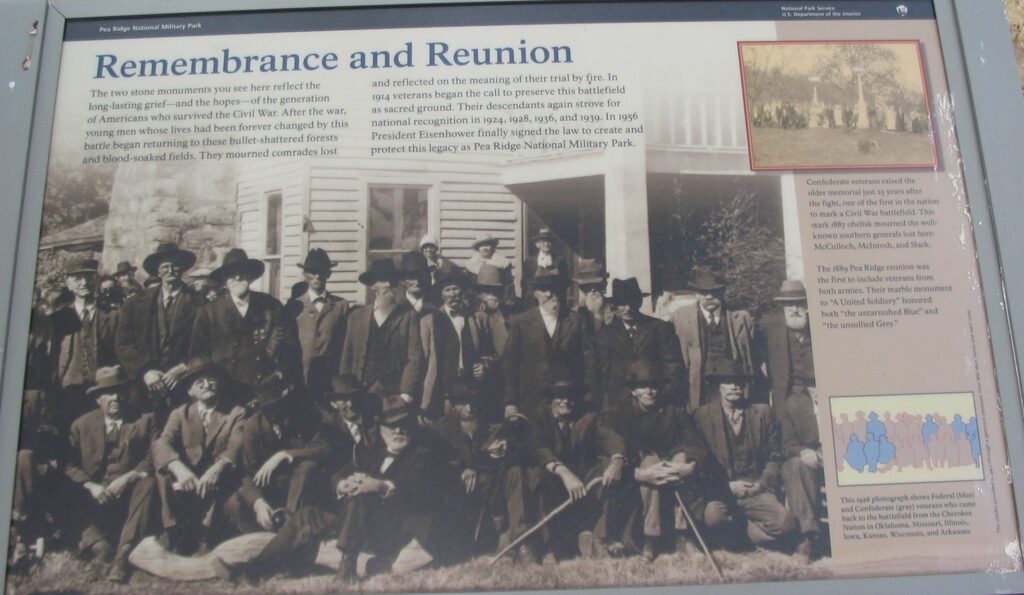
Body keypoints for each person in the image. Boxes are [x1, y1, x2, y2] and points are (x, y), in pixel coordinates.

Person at [215, 396, 462, 584]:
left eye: (405, 426)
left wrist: (379, 486)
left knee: (362, 497)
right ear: (381, 428)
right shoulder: (370, 450)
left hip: (396, 527)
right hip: (358, 523)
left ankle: (347, 566)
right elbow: (341, 473)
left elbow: (419, 491)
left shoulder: (424, 454)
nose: (399, 432)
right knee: (306, 516)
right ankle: (252, 572)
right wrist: (341, 485)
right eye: (392, 426)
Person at [610, 362, 733, 563]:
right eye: (643, 386)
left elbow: (695, 444)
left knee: (682, 456)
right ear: (633, 391)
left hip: (673, 473)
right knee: (650, 462)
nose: (650, 391)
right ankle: (651, 538)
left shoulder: (673, 411)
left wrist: (687, 465)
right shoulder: (622, 416)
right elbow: (616, 453)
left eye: (654, 386)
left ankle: (682, 535)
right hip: (637, 486)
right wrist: (641, 473)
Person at [65, 365, 157, 582]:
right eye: (108, 393)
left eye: (119, 391)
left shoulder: (145, 419)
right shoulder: (81, 425)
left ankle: (123, 557)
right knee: (66, 490)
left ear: (127, 393)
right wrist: (91, 486)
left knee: (149, 483)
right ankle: (96, 544)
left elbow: (152, 456)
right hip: (93, 494)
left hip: (128, 491)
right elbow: (68, 465)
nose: (115, 397)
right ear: (98, 399)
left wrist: (129, 477)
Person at [693, 359, 797, 549]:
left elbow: (775, 456)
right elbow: (701, 464)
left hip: (756, 489)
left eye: (738, 382)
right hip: (723, 491)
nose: (734, 386)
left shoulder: (763, 413)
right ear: (719, 387)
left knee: (785, 524)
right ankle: (737, 533)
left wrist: (761, 484)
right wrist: (728, 487)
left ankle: (743, 535)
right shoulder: (703, 416)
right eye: (727, 381)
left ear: (744, 385)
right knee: (713, 518)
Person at [152, 356, 246, 554]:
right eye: (199, 382)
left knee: (228, 480)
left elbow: (235, 445)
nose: (206, 384)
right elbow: (161, 443)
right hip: (190, 478)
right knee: (163, 472)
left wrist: (218, 467)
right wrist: (178, 468)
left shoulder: (235, 412)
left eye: (211, 379)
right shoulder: (180, 413)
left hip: (219, 477)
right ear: (190, 391)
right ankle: (174, 533)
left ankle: (206, 536)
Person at [528, 380, 628, 560]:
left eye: (570, 397)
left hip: (584, 479)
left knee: (607, 467)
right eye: (559, 397)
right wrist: (564, 473)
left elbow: (610, 437)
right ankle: (547, 547)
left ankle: (601, 538)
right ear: (550, 400)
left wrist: (617, 461)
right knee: (537, 477)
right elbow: (539, 449)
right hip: (555, 478)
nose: (565, 401)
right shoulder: (540, 419)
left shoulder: (588, 418)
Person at [431, 381, 533, 557]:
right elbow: (435, 463)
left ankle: (521, 540)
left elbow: (518, 450)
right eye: (463, 402)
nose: (470, 407)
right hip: (456, 488)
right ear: (453, 405)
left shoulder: (492, 428)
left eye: (473, 401)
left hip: (491, 487)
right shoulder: (439, 430)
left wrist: (505, 449)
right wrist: (462, 470)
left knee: (515, 471)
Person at [225, 373, 328, 535]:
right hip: (267, 489)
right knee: (234, 503)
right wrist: (258, 502)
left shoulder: (305, 416)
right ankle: (259, 543)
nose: (274, 413)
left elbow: (323, 448)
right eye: (267, 409)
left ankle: (291, 528)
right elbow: (246, 473)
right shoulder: (252, 427)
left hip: (297, 488)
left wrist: (285, 455)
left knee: (308, 467)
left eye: (278, 406)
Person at [115, 242, 204, 418]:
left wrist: (184, 367)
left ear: (183, 269)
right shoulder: (135, 304)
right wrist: (146, 371)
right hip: (145, 386)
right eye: (165, 267)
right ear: (157, 271)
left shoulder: (200, 303)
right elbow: (123, 344)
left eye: (175, 265)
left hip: (184, 384)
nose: (170, 270)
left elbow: (207, 344)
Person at [189, 248, 286, 391]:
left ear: (251, 277)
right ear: (224, 281)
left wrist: (277, 374)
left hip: (263, 387)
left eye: (242, 273)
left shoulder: (270, 306)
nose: (237, 278)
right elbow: (198, 353)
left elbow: (284, 347)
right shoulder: (210, 311)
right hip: (224, 388)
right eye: (231, 275)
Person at [502, 269, 588, 420]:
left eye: (554, 288)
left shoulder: (576, 321)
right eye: (543, 290)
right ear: (535, 293)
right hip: (531, 402)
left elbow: (588, 362)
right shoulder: (521, 322)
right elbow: (510, 365)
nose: (549, 294)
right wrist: (511, 402)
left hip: (567, 402)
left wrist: (587, 398)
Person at [340, 258, 424, 408]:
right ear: (373, 285)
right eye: (384, 280)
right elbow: (348, 356)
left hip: (394, 396)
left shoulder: (407, 315)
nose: (390, 285)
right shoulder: (357, 316)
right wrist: (345, 391)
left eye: (392, 280)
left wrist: (405, 394)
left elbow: (414, 357)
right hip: (360, 392)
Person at [671, 267, 757, 411]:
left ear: (723, 292)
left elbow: (753, 357)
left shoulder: (740, 319)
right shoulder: (681, 318)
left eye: (714, 292)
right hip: (698, 386)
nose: (709, 297)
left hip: (732, 387)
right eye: (704, 292)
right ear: (696, 294)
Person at [595, 278, 682, 411]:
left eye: (632, 302)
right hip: (618, 405)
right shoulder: (605, 334)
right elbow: (603, 374)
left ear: (639, 302)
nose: (628, 308)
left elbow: (672, 366)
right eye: (622, 304)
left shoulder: (659, 328)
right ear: (615, 306)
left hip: (654, 401)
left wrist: (664, 397)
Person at [420, 269, 496, 421]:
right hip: (442, 391)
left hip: (471, 391)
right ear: (441, 295)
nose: (452, 294)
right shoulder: (429, 321)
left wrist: (484, 366)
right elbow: (422, 360)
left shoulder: (477, 319)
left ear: (462, 291)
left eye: (455, 288)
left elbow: (490, 353)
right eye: (447, 290)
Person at [52, 257, 118, 429]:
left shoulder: (112, 314)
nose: (84, 283)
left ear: (96, 280)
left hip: (103, 389)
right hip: (69, 390)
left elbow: (120, 349)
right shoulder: (58, 318)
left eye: (88, 277)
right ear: (68, 283)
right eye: (77, 278)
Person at [289, 248, 350, 399]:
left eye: (321, 271)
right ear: (305, 275)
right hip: (301, 381)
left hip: (330, 380)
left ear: (328, 274)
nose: (317, 276)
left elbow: (346, 344)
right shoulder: (294, 306)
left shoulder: (340, 306)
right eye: (312, 271)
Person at [779, 372, 827, 561]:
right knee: (794, 465)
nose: (821, 391)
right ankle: (807, 537)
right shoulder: (794, 406)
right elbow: (788, 444)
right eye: (815, 386)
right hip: (813, 459)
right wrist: (804, 452)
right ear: (808, 389)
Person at [758, 280, 815, 409]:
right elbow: (760, 359)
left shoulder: (816, 325)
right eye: (789, 304)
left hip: (813, 392)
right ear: (782, 305)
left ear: (805, 304)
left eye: (799, 303)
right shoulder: (769, 326)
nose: (795, 309)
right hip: (784, 393)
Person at [320, 374, 380, 472]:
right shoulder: (331, 428)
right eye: (343, 400)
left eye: (353, 398)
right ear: (333, 403)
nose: (350, 404)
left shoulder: (374, 420)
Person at [521, 228, 569, 309]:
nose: (546, 244)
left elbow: (566, 282)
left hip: (554, 300)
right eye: (543, 242)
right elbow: (525, 283)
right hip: (534, 302)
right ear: (537, 244)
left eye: (548, 241)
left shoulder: (560, 261)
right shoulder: (529, 262)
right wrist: (534, 294)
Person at [464, 232, 515, 305]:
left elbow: (509, 285)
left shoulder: (502, 263)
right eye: (482, 245)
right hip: (477, 301)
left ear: (492, 247)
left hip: (499, 300)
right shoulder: (471, 265)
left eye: (488, 245)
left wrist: (506, 302)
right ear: (478, 248)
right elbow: (468, 287)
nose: (485, 248)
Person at [475, 263, 513, 357]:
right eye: (487, 291)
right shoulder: (474, 313)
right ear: (479, 293)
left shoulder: (506, 312)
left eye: (495, 291)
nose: (492, 295)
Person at [397, 250, 435, 318]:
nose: (417, 282)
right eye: (412, 277)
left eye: (421, 276)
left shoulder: (436, 304)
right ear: (403, 280)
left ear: (427, 277)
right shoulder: (395, 306)